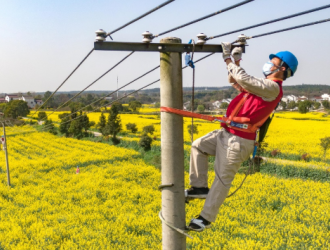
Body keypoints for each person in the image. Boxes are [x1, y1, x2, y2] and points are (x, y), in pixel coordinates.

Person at [185, 42, 298, 232]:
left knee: (222, 179)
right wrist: (235, 62)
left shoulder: (272, 88)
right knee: (198, 146)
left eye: (273, 62)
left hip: (239, 140)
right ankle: (199, 188)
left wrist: (229, 59)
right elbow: (236, 80)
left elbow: (244, 79)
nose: (269, 65)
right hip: (227, 133)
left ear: (282, 68)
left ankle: (205, 219)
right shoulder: (261, 88)